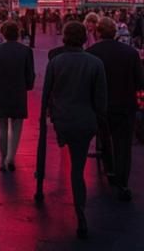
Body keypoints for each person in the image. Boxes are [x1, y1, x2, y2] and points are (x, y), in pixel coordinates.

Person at [43, 20, 108, 238]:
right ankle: (80, 213)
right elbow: (101, 100)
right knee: (78, 170)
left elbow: (46, 95)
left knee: (65, 156)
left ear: (65, 37)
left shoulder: (56, 62)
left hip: (62, 121)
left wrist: (48, 116)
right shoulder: (95, 63)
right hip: (85, 122)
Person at [87, 16, 144, 200]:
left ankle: (109, 170)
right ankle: (122, 181)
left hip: (102, 106)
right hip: (125, 105)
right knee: (123, 144)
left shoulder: (92, 52)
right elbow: (140, 82)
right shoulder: (130, 53)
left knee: (105, 139)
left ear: (98, 31)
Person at [0, 20, 35, 171]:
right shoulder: (26, 51)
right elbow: (30, 75)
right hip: (19, 91)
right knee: (16, 127)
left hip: (2, 91)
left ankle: (3, 159)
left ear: (3, 33)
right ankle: (11, 158)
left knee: (2, 127)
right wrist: (27, 86)